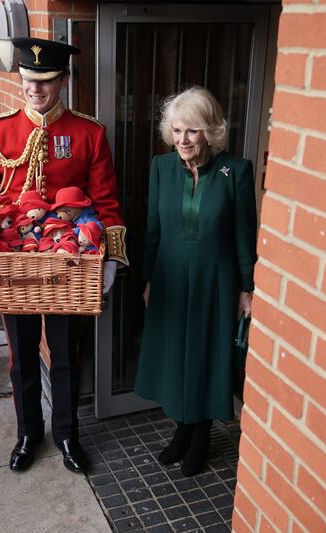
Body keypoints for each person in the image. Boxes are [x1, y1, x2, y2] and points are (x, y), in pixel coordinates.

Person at [0, 38, 128, 474]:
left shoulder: (89, 133)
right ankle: (29, 432)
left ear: (63, 81)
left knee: (67, 355)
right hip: (14, 262)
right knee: (22, 355)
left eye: (46, 82)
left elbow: (105, 201)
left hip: (69, 263)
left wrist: (111, 257)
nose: (36, 89)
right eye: (30, 80)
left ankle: (68, 435)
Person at [134, 87, 258, 476]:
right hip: (170, 277)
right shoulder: (160, 167)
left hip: (215, 282)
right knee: (175, 355)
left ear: (209, 131)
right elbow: (152, 229)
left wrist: (246, 287)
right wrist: (149, 277)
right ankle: (182, 431)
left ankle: (201, 435)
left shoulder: (235, 171)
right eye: (176, 130)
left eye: (191, 131)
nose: (182, 140)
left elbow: (243, 236)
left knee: (205, 355)